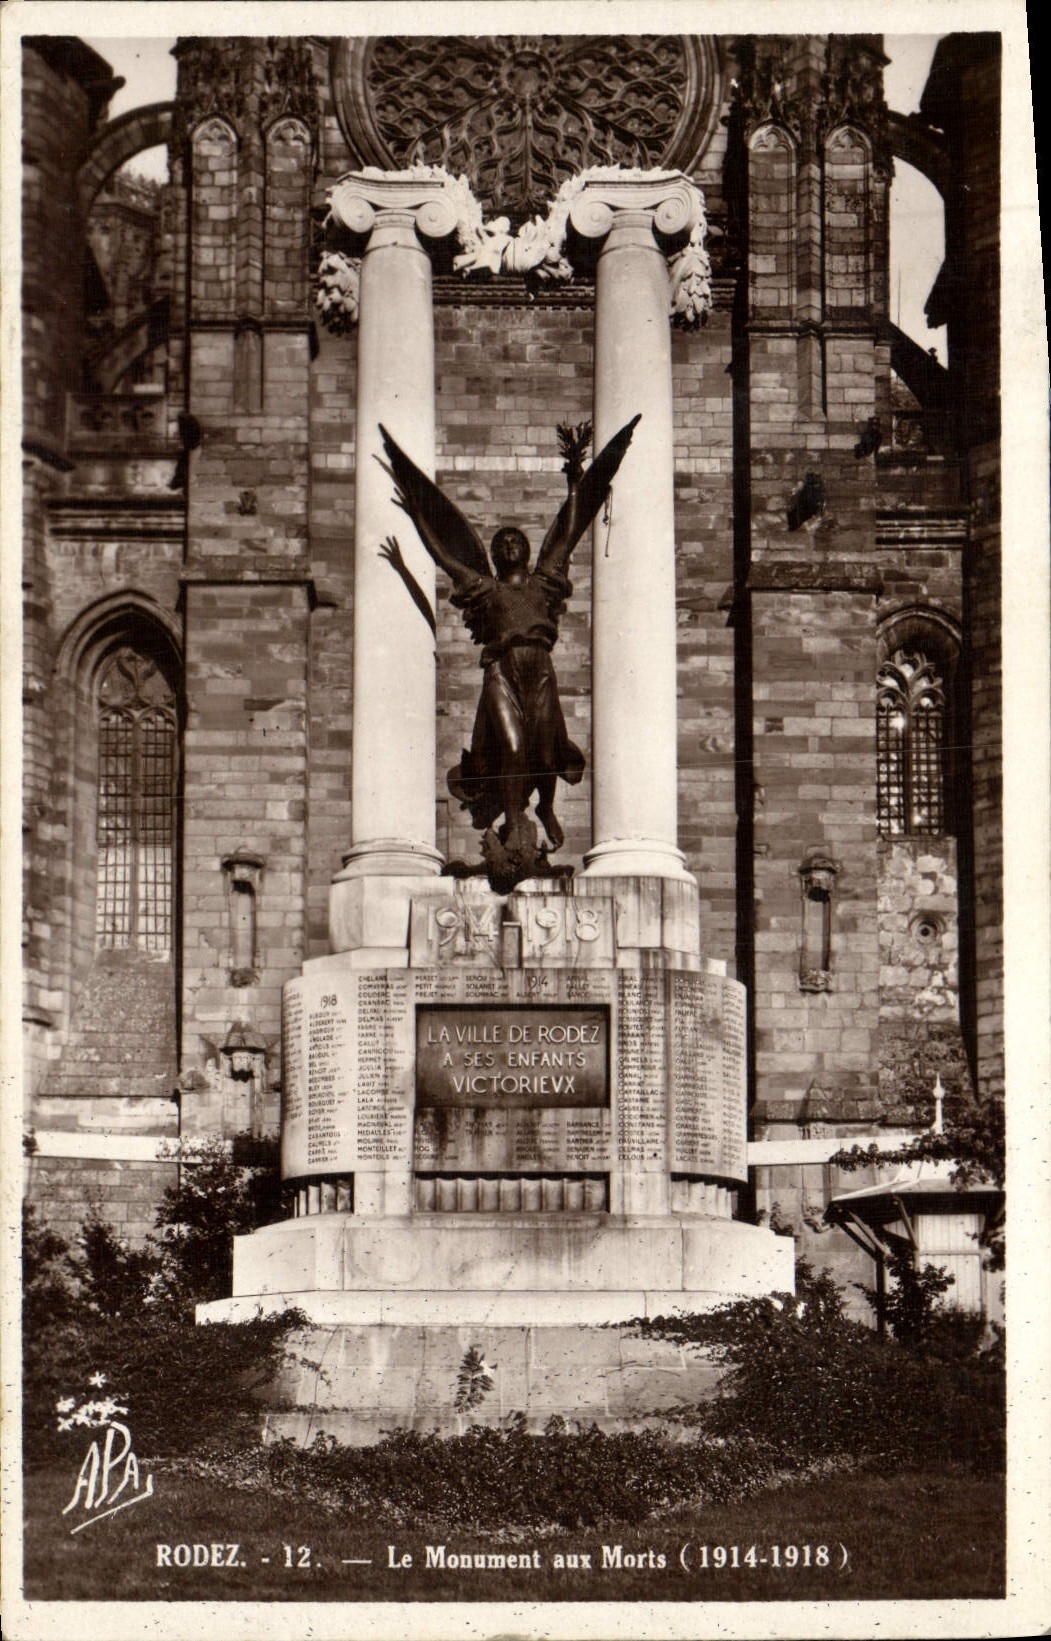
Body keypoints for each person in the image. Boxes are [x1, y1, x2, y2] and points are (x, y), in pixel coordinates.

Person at [378, 413, 640, 879]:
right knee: (515, 748)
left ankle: (544, 809)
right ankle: (516, 823)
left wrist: (576, 478)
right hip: (501, 672)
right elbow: (444, 556)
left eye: (517, 540)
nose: (511, 545)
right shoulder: (486, 590)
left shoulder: (544, 584)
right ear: (497, 556)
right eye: (504, 543)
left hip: (539, 671)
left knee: (546, 748)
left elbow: (571, 529)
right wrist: (416, 517)